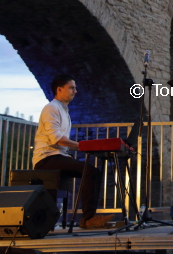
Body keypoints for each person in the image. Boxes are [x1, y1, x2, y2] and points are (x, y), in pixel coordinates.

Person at [33, 75, 113, 229]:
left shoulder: (64, 110)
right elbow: (57, 139)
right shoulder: (52, 108)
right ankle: (88, 219)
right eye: (71, 87)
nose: (75, 91)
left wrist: (84, 146)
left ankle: (88, 218)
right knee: (90, 171)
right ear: (59, 89)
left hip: (57, 156)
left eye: (75, 88)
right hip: (46, 158)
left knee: (92, 172)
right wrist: (83, 146)